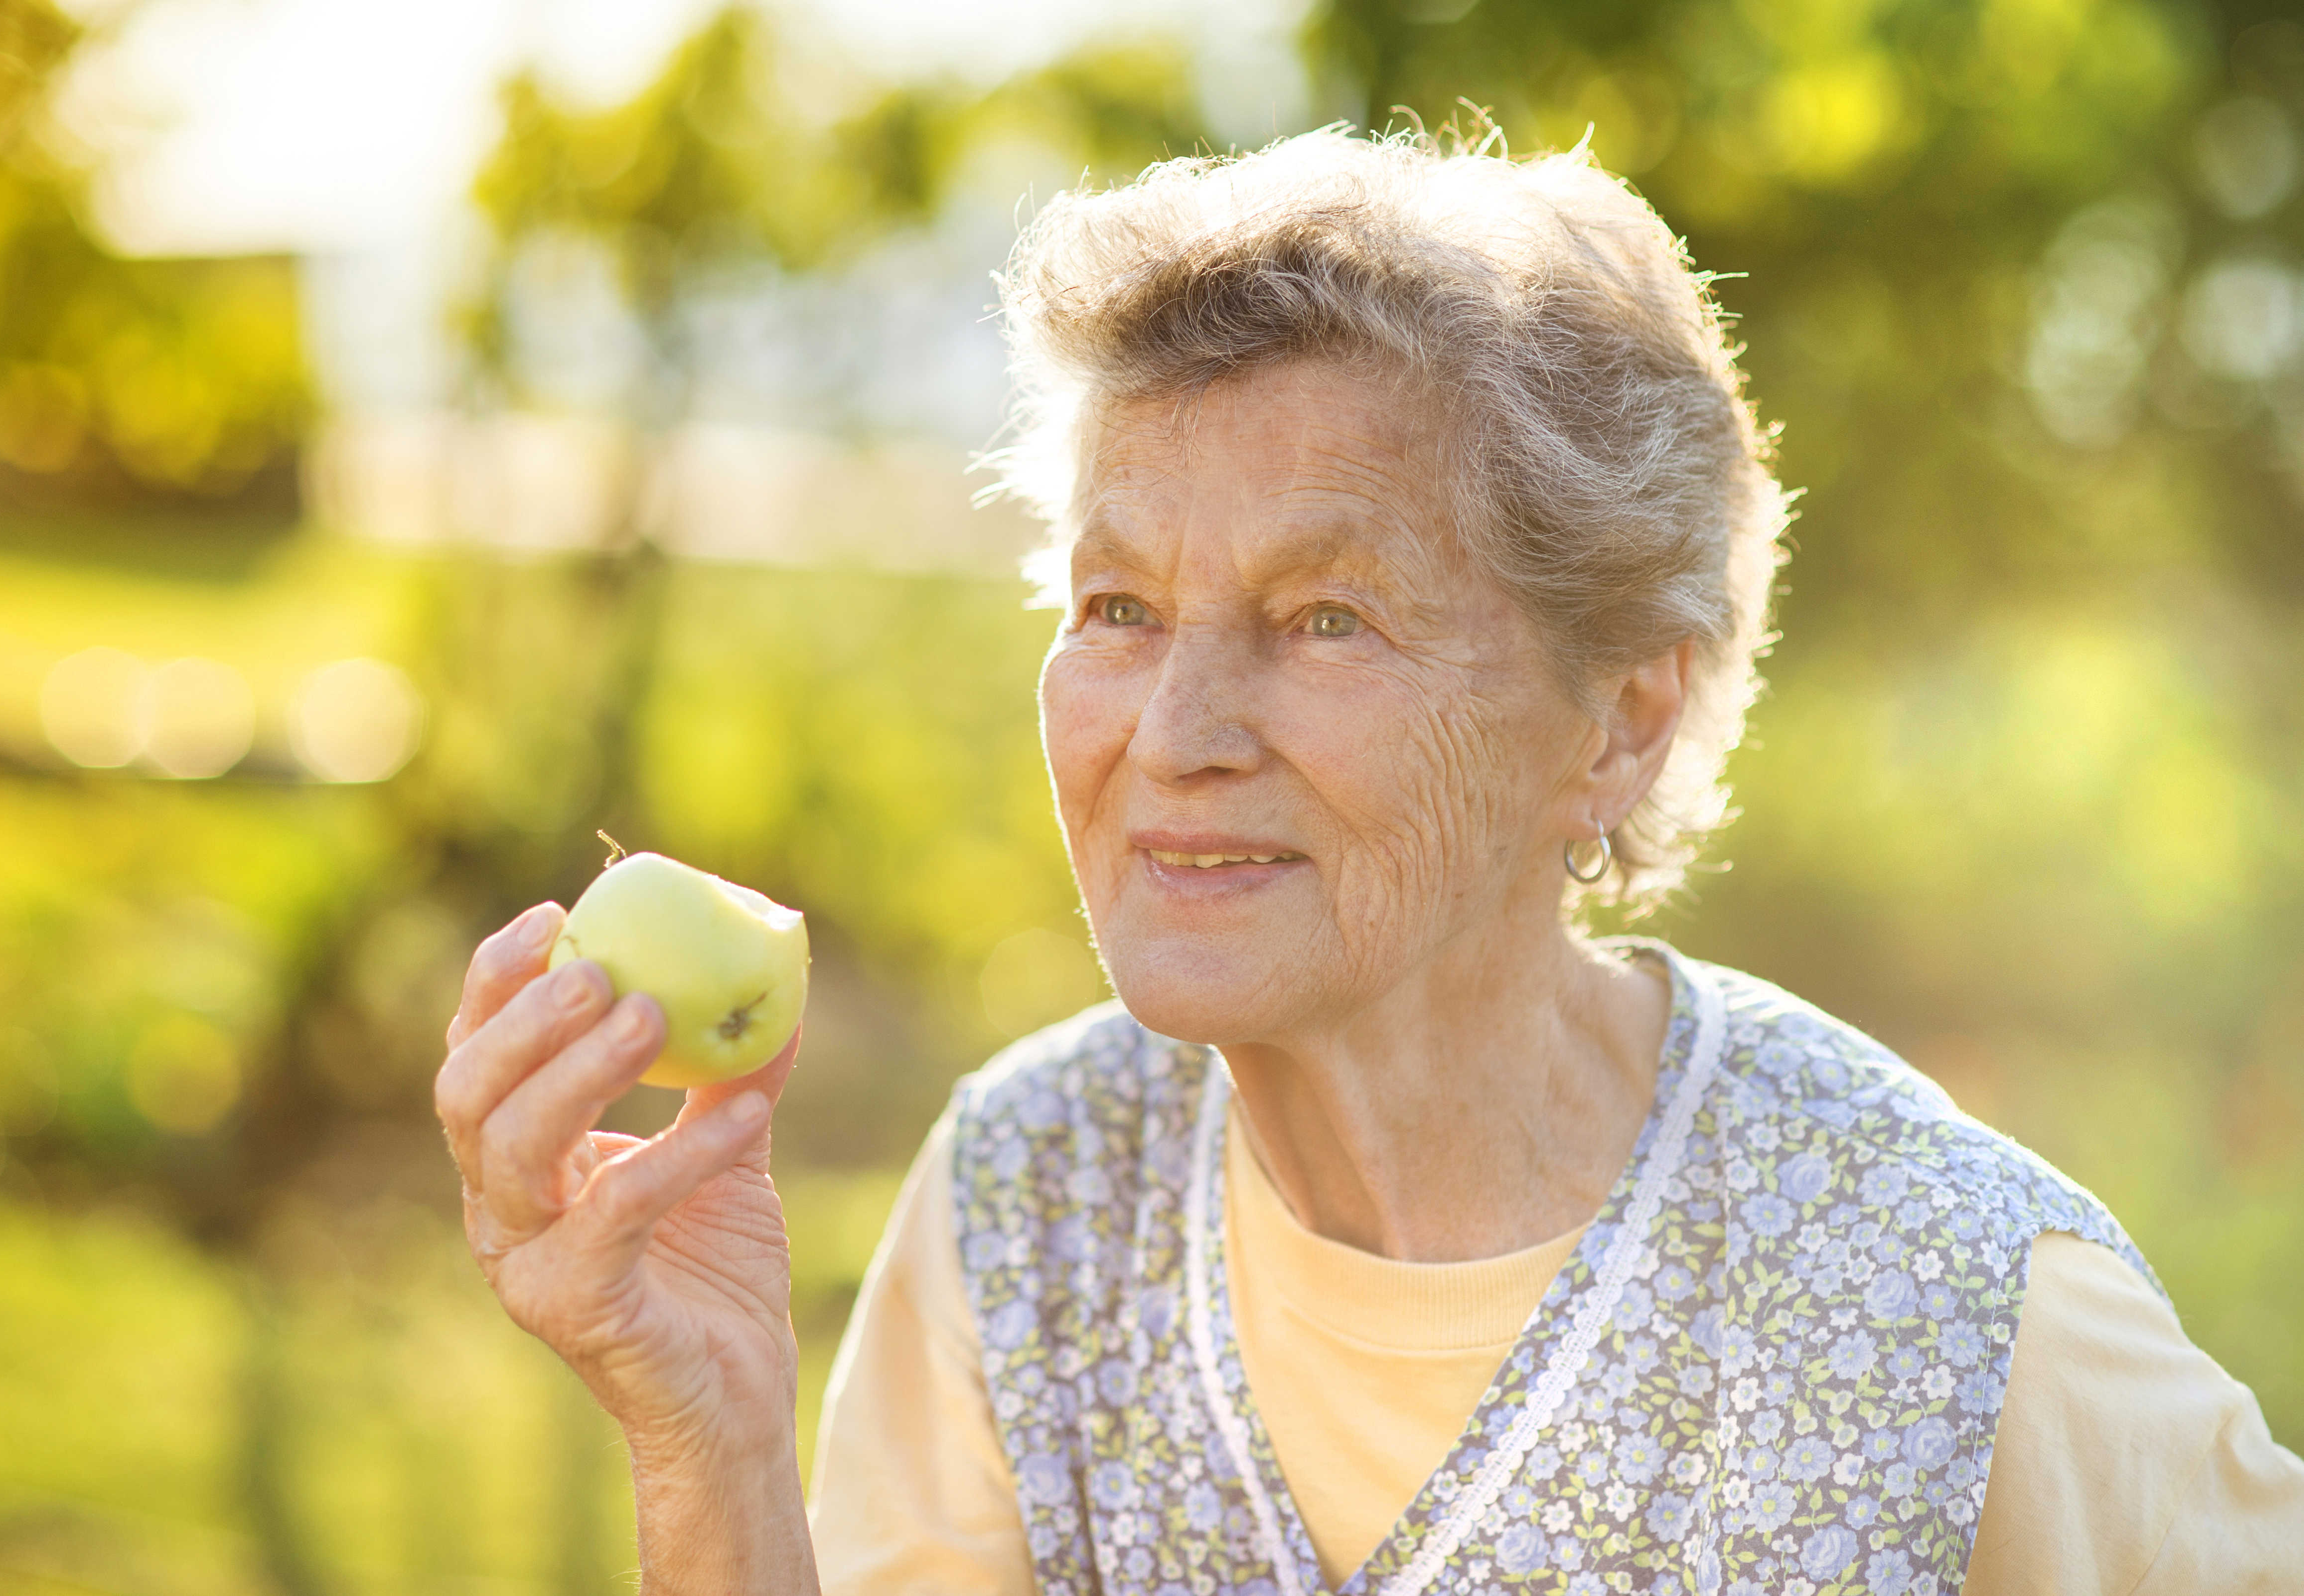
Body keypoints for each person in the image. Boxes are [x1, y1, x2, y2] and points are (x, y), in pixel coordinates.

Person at [433, 126, 2304, 1595]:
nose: (1173, 733)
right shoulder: (1023, 1200)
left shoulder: (1962, 1308)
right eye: (1119, 605)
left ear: (1625, 717)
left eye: (1326, 618)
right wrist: (707, 1446)